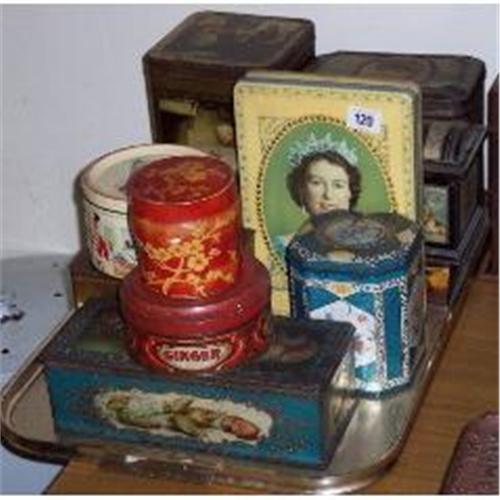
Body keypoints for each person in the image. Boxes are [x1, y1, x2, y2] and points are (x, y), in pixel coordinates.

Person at [272, 149, 361, 260]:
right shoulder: (283, 246)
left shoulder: (372, 246)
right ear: (302, 191)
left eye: (338, 185)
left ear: (350, 192)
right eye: (316, 183)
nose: (328, 195)